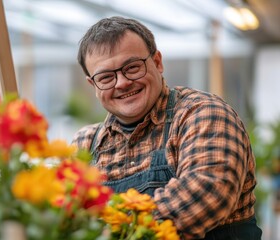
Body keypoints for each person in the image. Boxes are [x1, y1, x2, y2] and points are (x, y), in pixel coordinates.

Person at [71, 16, 262, 239]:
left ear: (158, 62)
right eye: (106, 77)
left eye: (132, 67)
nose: (122, 82)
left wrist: (104, 228)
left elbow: (205, 195)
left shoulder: (202, 114)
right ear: (93, 84)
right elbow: (64, 214)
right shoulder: (85, 145)